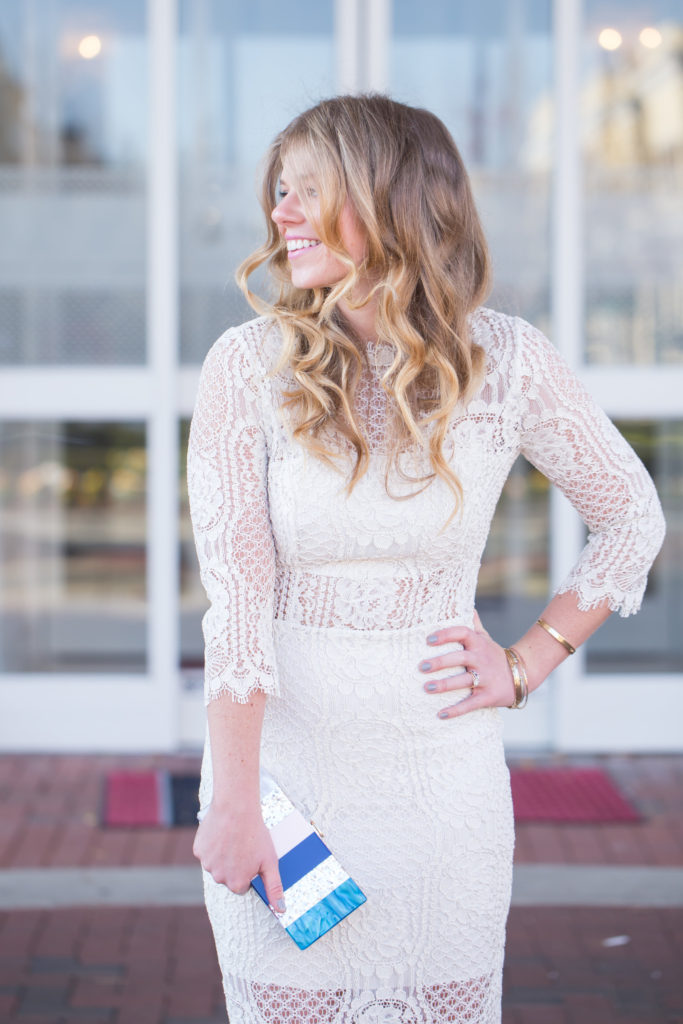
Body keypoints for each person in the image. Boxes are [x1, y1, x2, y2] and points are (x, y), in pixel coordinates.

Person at [187, 94, 665, 1024]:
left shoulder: (508, 363)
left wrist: (526, 664)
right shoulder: (246, 367)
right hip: (284, 783)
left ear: (394, 201)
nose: (281, 213)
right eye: (279, 191)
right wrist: (235, 799)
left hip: (442, 790)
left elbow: (631, 516)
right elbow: (236, 604)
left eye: (311, 190)